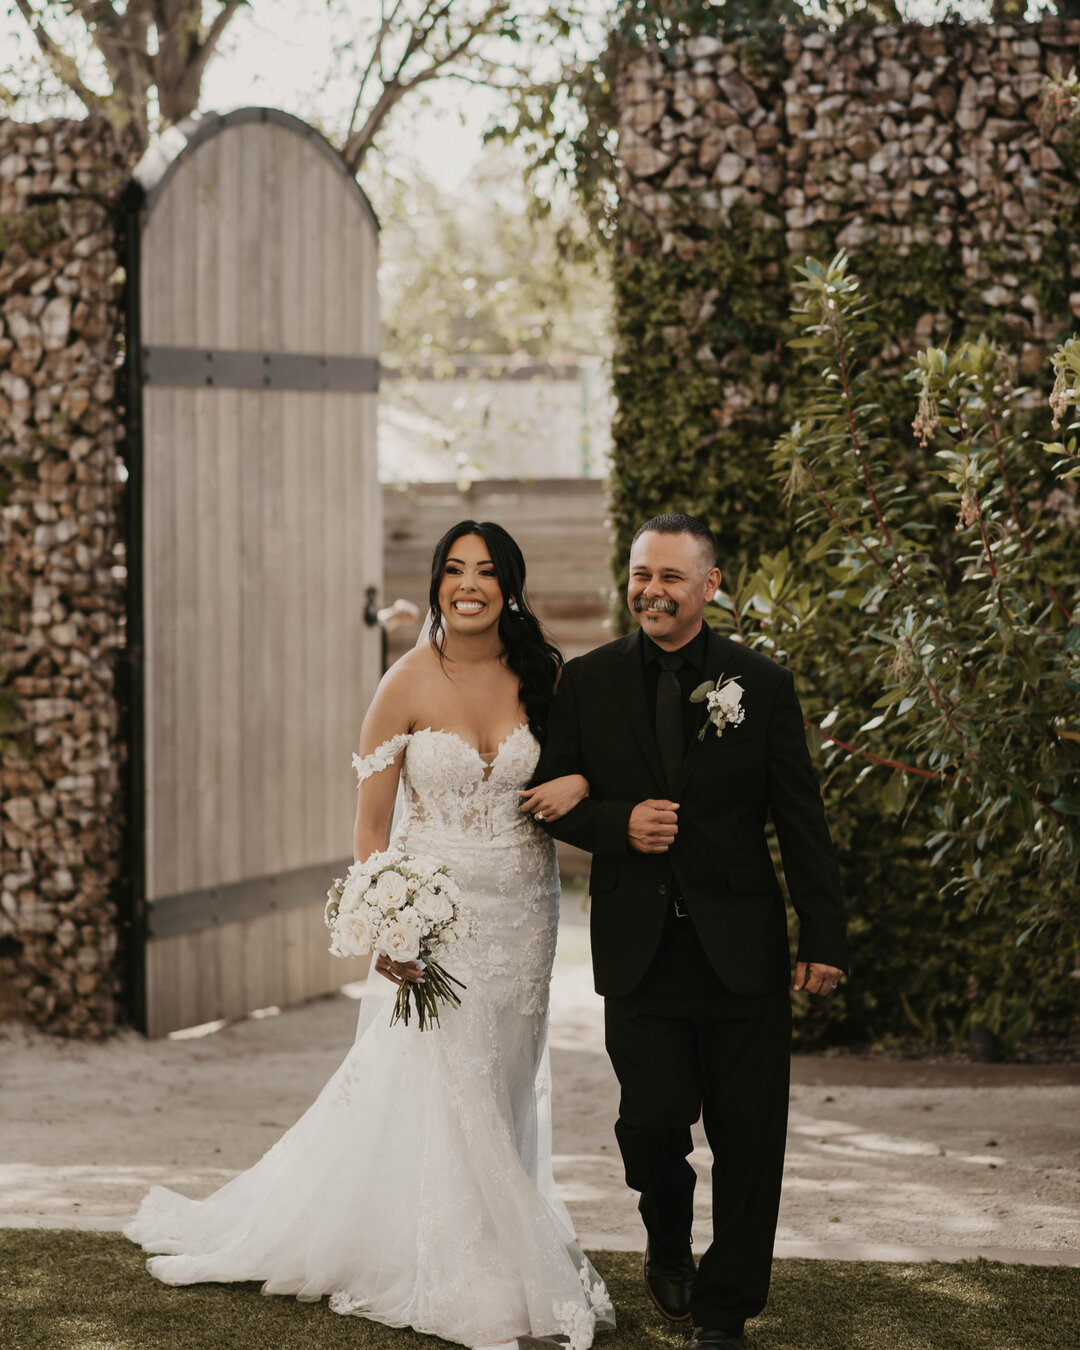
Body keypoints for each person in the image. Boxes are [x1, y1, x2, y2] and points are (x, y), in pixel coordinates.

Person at [124, 520, 614, 1350]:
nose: (469, 584)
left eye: (487, 572)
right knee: (449, 1084)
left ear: (510, 586)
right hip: (439, 919)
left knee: (500, 1083)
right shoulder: (403, 682)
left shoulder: (546, 676)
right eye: (454, 570)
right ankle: (474, 1275)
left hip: (525, 915)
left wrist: (583, 776)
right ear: (434, 583)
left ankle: (497, 1236)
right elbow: (371, 825)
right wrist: (388, 918)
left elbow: (594, 760)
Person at [530, 513, 848, 1350]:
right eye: (641, 574)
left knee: (750, 1142)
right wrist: (616, 824)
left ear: (710, 586)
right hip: (640, 953)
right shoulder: (587, 682)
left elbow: (800, 819)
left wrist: (823, 935)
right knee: (651, 1123)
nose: (652, 591)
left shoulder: (762, 684)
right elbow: (550, 800)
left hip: (742, 952)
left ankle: (725, 1312)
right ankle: (666, 1240)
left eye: (671, 577)